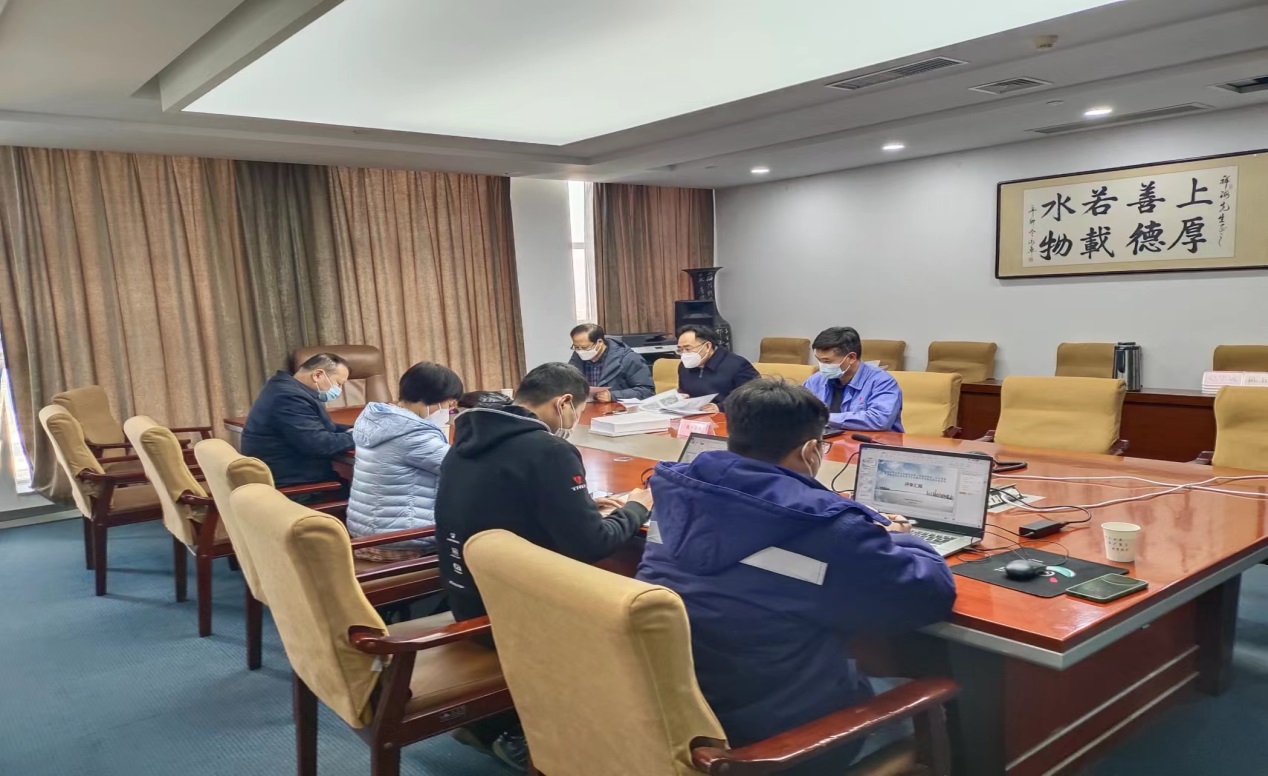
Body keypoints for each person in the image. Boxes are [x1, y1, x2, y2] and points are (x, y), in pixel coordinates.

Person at [637, 378, 955, 774]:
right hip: (781, 743)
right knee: (940, 700)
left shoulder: (676, 492)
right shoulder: (825, 528)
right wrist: (903, 539)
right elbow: (929, 594)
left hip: (685, 720)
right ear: (810, 450)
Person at [435, 362, 653, 771]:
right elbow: (592, 544)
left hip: (465, 595)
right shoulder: (549, 450)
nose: (574, 421)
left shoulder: (469, 434)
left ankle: (487, 726)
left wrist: (581, 504)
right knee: (634, 615)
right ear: (564, 402)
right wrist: (638, 508)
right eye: (578, 411)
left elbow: (504, 498)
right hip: (511, 614)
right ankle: (548, 735)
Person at [345, 362, 464, 562]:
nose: (450, 412)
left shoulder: (378, 420)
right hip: (402, 539)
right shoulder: (412, 435)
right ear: (430, 399)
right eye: (450, 405)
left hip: (365, 532)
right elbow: (462, 467)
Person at [241, 353, 354, 490]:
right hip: (298, 488)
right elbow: (320, 445)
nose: (339, 390)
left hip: (292, 478)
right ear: (317, 375)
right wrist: (363, 436)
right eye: (339, 384)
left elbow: (320, 428)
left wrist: (352, 429)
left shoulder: (283, 387)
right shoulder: (290, 397)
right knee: (369, 493)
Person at [803, 326, 904, 432]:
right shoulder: (816, 380)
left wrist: (823, 418)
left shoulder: (882, 382)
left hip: (873, 441)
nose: (822, 366)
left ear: (851, 357)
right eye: (819, 360)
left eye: (827, 361)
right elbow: (799, 410)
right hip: (828, 439)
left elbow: (880, 420)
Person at [676, 324, 759, 412]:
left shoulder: (738, 365)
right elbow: (683, 390)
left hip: (728, 416)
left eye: (688, 349)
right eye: (680, 350)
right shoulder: (684, 365)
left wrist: (721, 407)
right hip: (693, 415)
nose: (684, 354)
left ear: (707, 346)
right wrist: (680, 397)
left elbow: (754, 398)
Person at [568, 323, 655, 402]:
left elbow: (647, 391)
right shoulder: (577, 357)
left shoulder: (628, 358)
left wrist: (613, 396)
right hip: (587, 408)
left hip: (619, 409)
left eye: (585, 347)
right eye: (576, 347)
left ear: (599, 342)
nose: (580, 351)